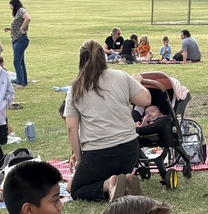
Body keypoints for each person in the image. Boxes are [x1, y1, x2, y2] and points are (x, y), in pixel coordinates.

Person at [64, 40, 153, 202]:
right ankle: (123, 183)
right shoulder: (120, 76)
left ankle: (108, 184)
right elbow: (146, 99)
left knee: (76, 189)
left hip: (99, 153)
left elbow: (72, 129)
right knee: (108, 170)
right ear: (103, 57)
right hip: (129, 150)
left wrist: (79, 158)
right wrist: (137, 83)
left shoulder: (76, 88)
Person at [6, 0, 31, 88]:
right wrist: (10, 29)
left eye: (11, 6)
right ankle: (23, 81)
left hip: (20, 40)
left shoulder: (21, 10)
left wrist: (21, 28)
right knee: (21, 61)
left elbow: (28, 18)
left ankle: (20, 83)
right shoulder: (18, 14)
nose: (10, 8)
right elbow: (17, 24)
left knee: (16, 61)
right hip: (16, 39)